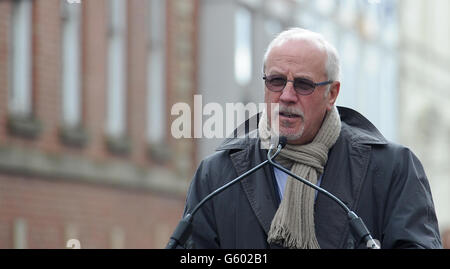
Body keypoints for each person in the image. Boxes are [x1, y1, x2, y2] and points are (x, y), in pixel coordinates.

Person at [181, 28, 442, 249]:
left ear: (332, 94)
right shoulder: (218, 174)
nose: (286, 95)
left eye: (303, 85)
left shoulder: (391, 168)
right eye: (276, 81)